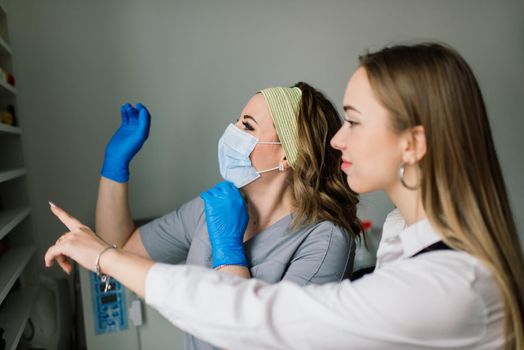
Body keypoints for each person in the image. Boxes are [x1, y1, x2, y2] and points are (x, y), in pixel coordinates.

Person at [45, 42, 524, 349]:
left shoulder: (442, 285)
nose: (338, 140)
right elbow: (123, 244)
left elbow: (254, 327)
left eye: (354, 122)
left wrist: (106, 258)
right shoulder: (405, 241)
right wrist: (115, 170)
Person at [55, 82, 361, 349]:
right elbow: (118, 247)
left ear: (287, 155)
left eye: (248, 126)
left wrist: (229, 251)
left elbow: (253, 343)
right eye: (237, 121)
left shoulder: (325, 240)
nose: (232, 132)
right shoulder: (213, 207)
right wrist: (114, 167)